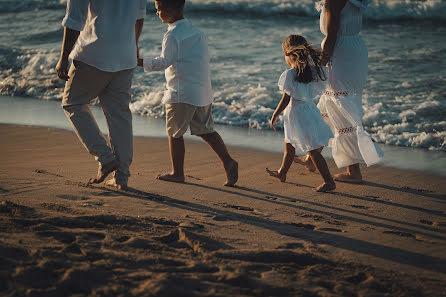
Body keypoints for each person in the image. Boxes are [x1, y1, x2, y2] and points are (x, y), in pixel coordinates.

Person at [138, 0, 238, 186]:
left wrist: (140, 62)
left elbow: (164, 62)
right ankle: (228, 161)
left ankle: (177, 173)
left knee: (174, 133)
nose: (157, 13)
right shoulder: (197, 32)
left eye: (160, 9)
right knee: (206, 131)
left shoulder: (172, 34)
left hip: (181, 92)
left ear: (174, 9)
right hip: (201, 91)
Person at [56, 0, 147, 190]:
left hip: (94, 53)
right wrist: (134, 45)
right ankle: (122, 177)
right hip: (125, 54)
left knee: (72, 103)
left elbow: (74, 20)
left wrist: (63, 57)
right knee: (119, 115)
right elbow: (139, 16)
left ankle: (105, 158)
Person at [295, 0, 383, 184]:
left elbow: (332, 31)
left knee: (340, 106)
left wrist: (322, 62)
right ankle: (312, 158)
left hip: (340, 51)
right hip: (354, 49)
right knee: (331, 103)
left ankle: (354, 172)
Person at [267, 35, 336, 192]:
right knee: (290, 145)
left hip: (297, 113)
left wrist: (275, 114)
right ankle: (282, 173)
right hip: (309, 110)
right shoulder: (313, 71)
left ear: (287, 54)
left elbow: (286, 98)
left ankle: (329, 181)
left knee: (311, 150)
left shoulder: (290, 74)